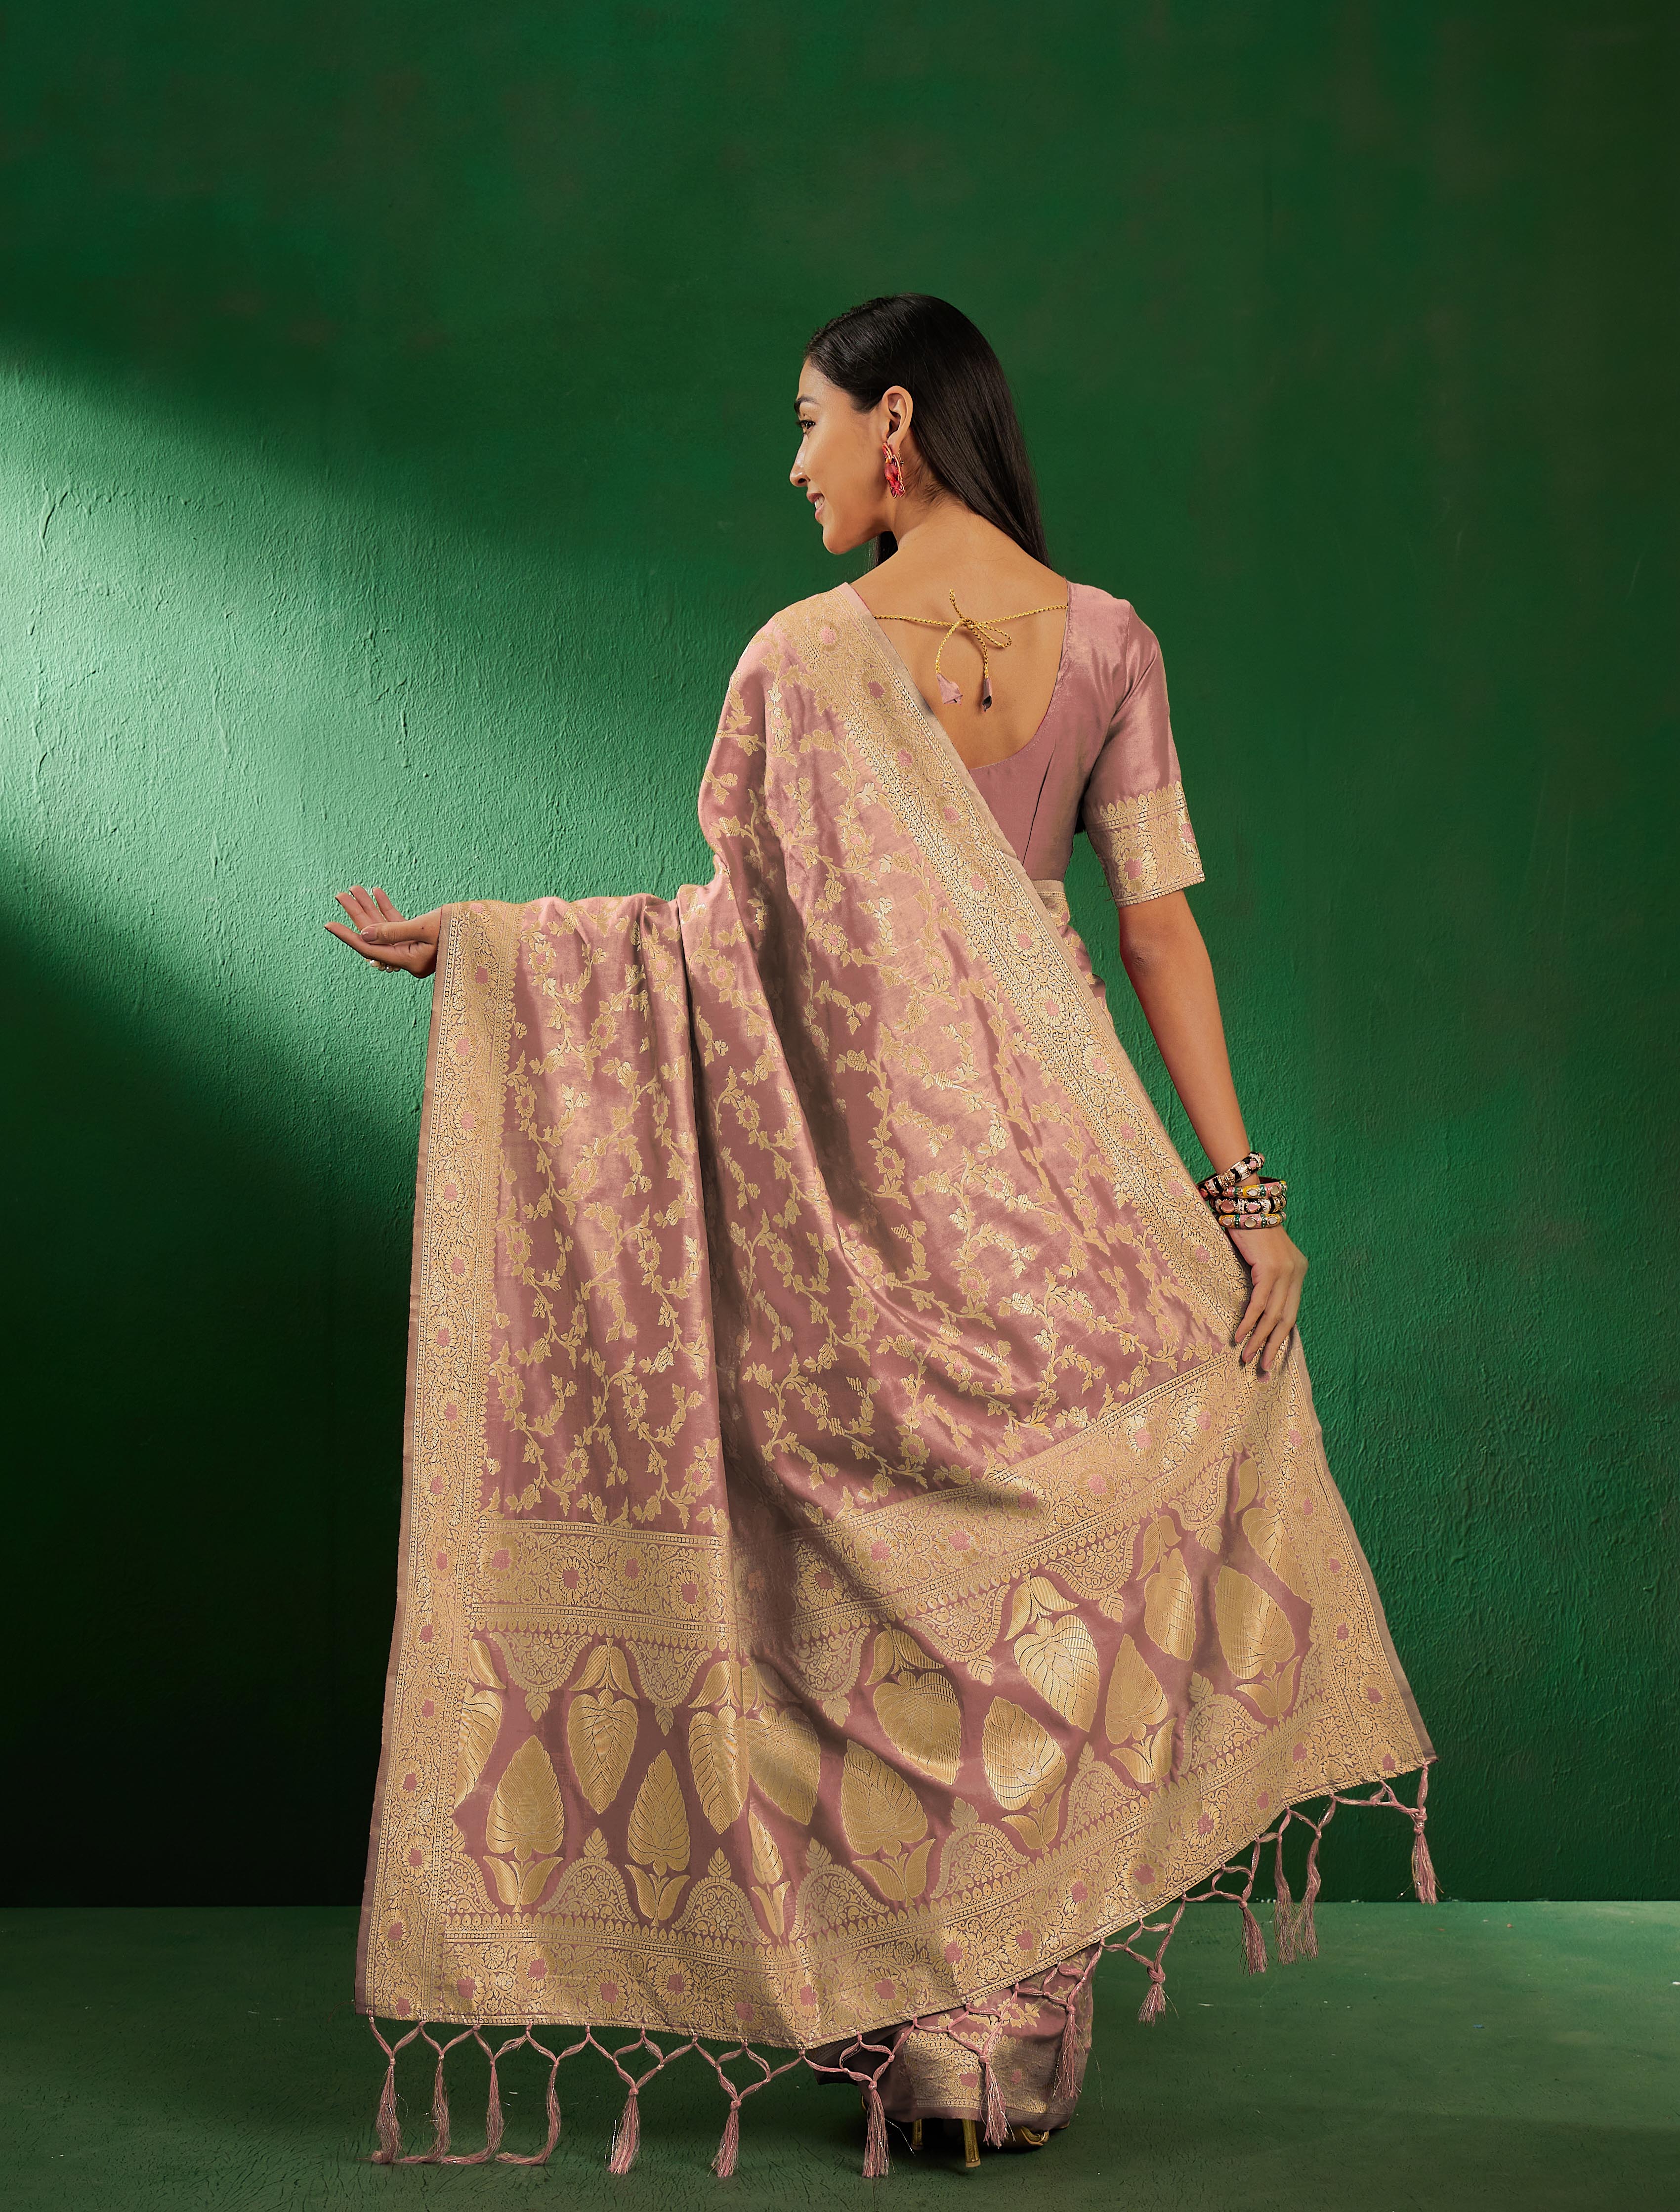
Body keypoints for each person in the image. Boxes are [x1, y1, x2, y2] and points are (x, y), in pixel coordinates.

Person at [328, 295, 1433, 2176]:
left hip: (861, 1200)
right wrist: (1245, 1206)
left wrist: (500, 953)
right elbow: (1157, 929)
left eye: (810, 422)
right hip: (1074, 1194)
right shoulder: (1113, 642)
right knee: (1055, 1561)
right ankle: (1004, 2015)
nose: (797, 464)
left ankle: (928, 2009)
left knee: (853, 1569)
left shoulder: (802, 658)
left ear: (896, 421)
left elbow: (729, 944)